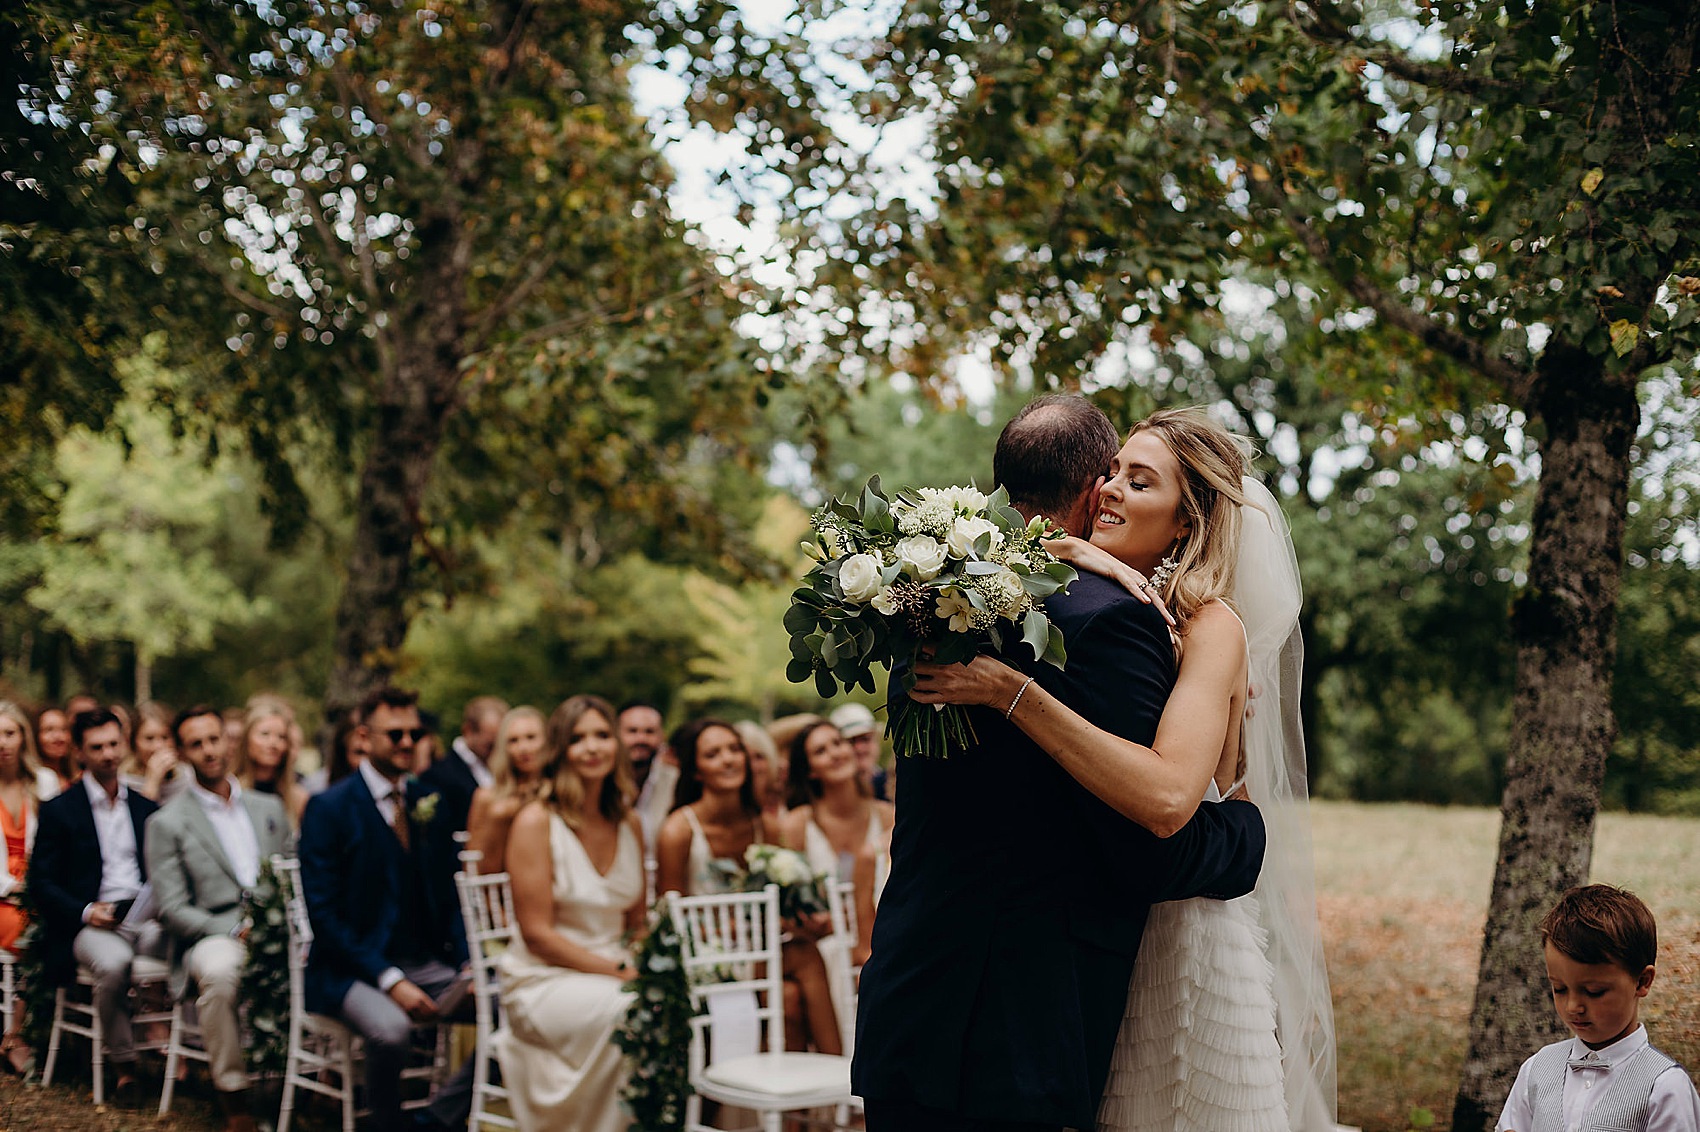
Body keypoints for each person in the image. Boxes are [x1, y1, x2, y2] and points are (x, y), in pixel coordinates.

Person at [852, 393, 1267, 1132]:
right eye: (1112, 474)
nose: (1112, 492)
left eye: (1138, 481)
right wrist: (1244, 838)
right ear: (1085, 488)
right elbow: (1149, 842)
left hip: (914, 997)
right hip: (1026, 1023)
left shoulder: (929, 606)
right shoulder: (1114, 621)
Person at [297, 686, 473, 1132]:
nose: (407, 743)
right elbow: (325, 917)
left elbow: (451, 894)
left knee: (514, 1011)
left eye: (414, 733)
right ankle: (386, 1124)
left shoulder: (426, 800)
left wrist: (469, 961)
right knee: (391, 1031)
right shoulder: (328, 808)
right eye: (394, 734)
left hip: (427, 963)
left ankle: (435, 1119)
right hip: (348, 971)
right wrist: (390, 980)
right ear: (364, 736)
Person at [494, 695, 645, 1132]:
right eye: (579, 739)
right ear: (560, 751)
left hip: (617, 969)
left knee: (670, 1001)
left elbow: (637, 924)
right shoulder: (535, 821)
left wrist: (654, 964)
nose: (593, 747)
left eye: (602, 735)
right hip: (544, 979)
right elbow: (538, 935)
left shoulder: (629, 822)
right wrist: (621, 970)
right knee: (635, 1010)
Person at [146, 704, 290, 1132]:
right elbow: (172, 908)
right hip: (213, 931)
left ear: (229, 741)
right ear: (183, 752)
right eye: (196, 744)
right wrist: (231, 929)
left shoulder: (269, 807)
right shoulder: (167, 822)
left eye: (214, 739)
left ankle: (307, 1075)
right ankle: (234, 1096)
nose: (209, 751)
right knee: (222, 972)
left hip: (277, 925)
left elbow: (292, 873)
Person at [28, 708, 162, 1102]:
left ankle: (187, 1056)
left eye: (113, 744)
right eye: (96, 747)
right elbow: (41, 883)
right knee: (115, 964)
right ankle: (125, 1068)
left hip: (143, 916)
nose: (107, 754)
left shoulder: (143, 806)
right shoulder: (59, 809)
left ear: (124, 744)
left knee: (191, 948)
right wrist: (86, 910)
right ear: (80, 753)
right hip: (88, 923)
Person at [1496, 884, 1700, 1132]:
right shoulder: (1537, 1069)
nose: (1573, 1007)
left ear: (1642, 981)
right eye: (1559, 989)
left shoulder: (1664, 1087)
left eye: (1594, 992)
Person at [0, 701, 56, 1073]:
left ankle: (18, 1032)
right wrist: (15, 888)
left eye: (9, 732)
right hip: (3, 893)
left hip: (39, 889)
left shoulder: (45, 782)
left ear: (23, 737)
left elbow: (58, 844)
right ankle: (16, 1035)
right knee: (26, 929)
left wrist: (39, 887)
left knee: (52, 925)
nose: (2, 742)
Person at [780, 720, 894, 886]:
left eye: (838, 743)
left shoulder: (887, 816)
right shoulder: (796, 825)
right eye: (820, 751)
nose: (835, 754)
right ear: (810, 770)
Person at [465, 705, 548, 875]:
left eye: (531, 737)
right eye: (513, 741)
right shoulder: (487, 797)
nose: (523, 748)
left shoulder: (561, 791)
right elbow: (474, 869)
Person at [423, 695, 509, 834]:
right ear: (467, 730)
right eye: (490, 745)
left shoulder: (505, 769)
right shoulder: (438, 775)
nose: (497, 752)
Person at [235, 696, 306, 825]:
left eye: (281, 737)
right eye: (265, 734)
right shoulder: (232, 791)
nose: (273, 744)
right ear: (247, 739)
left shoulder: (298, 798)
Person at [620, 700, 676, 854]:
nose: (641, 739)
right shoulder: (598, 782)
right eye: (632, 731)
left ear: (661, 737)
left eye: (649, 732)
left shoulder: (675, 782)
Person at [122, 701, 185, 803]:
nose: (158, 746)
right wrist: (153, 780)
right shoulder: (123, 783)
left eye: (165, 738)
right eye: (149, 739)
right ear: (134, 742)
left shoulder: (187, 777)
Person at [733, 720, 787, 829]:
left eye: (759, 757)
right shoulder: (729, 809)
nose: (753, 766)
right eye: (746, 758)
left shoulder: (787, 800)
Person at [830, 702, 888, 800]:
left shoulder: (892, 782)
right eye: (851, 742)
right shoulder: (830, 793)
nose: (859, 748)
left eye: (865, 739)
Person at [34, 706, 75, 788]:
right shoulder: (29, 781)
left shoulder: (80, 778)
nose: (58, 737)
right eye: (49, 730)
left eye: (63, 729)